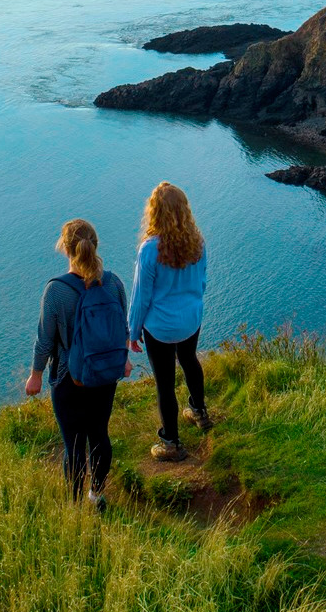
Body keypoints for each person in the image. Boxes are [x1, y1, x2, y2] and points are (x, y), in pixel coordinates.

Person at [26, 218, 130, 511]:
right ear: (95, 246)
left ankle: (73, 507)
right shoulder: (113, 283)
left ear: (66, 249)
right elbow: (122, 328)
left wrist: (35, 376)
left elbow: (45, 341)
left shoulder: (56, 291)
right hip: (105, 376)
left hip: (68, 378)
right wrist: (125, 360)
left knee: (73, 445)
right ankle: (96, 496)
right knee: (99, 434)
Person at [128, 182, 211, 462]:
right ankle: (199, 412)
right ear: (184, 211)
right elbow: (201, 283)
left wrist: (133, 331)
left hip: (161, 327)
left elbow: (141, 297)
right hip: (190, 319)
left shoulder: (149, 250)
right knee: (189, 360)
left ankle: (171, 443)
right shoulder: (197, 242)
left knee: (164, 382)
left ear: (155, 213)